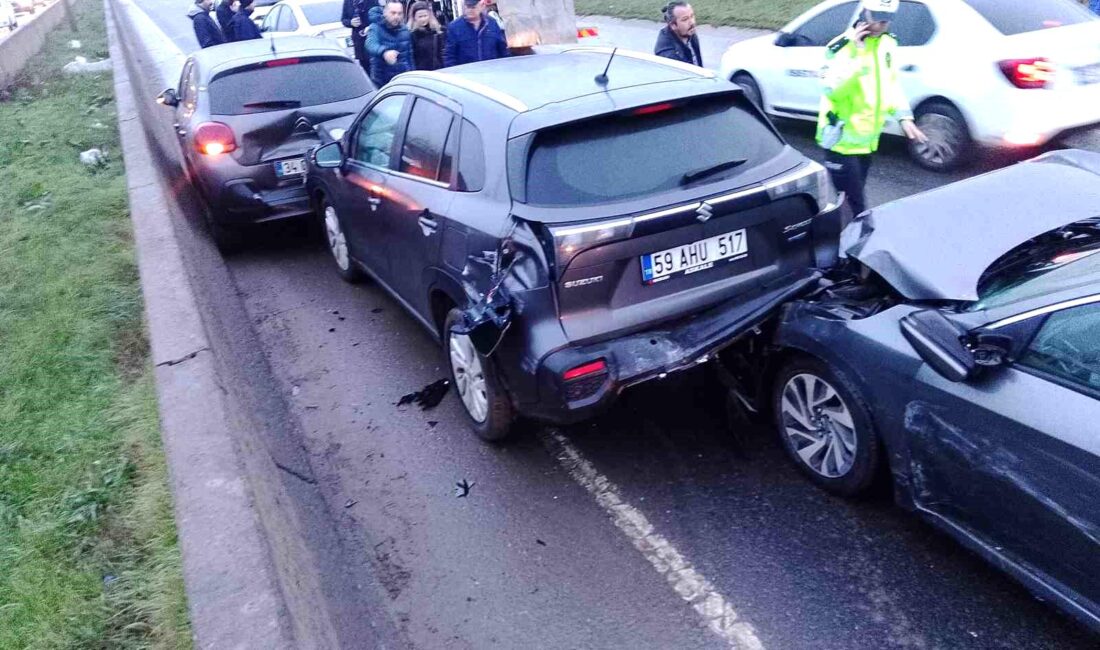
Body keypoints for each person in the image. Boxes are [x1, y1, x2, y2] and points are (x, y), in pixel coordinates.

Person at [816, 0, 927, 217]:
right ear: (864, 11)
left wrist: (904, 117)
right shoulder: (839, 47)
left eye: (885, 19)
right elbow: (833, 91)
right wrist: (858, 56)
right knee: (856, 207)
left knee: (851, 207)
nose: (879, 24)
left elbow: (890, 85)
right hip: (840, 141)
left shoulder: (887, 44)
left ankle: (845, 244)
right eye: (875, 17)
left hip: (866, 141)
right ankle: (849, 247)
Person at [443, 0, 508, 68]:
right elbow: (449, 56)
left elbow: (502, 50)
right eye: (467, 7)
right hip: (466, 74)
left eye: (473, 7)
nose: (469, 10)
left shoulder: (492, 23)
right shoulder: (454, 27)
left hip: (491, 72)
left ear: (482, 5)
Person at [366, 0, 414, 86]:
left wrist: (413, 74)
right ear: (385, 13)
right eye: (393, 13)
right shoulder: (375, 27)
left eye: (400, 13)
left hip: (404, 79)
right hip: (382, 81)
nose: (396, 16)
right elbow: (370, 44)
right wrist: (384, 52)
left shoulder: (405, 29)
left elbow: (409, 56)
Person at [654, 1, 701, 67]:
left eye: (692, 16)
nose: (692, 22)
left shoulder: (688, 32)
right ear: (673, 25)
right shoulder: (668, 55)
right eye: (685, 19)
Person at [408, 1, 444, 71]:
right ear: (414, 17)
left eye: (425, 16)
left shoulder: (436, 32)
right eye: (420, 17)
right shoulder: (412, 35)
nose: (423, 19)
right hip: (421, 73)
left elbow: (441, 54)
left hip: (437, 70)